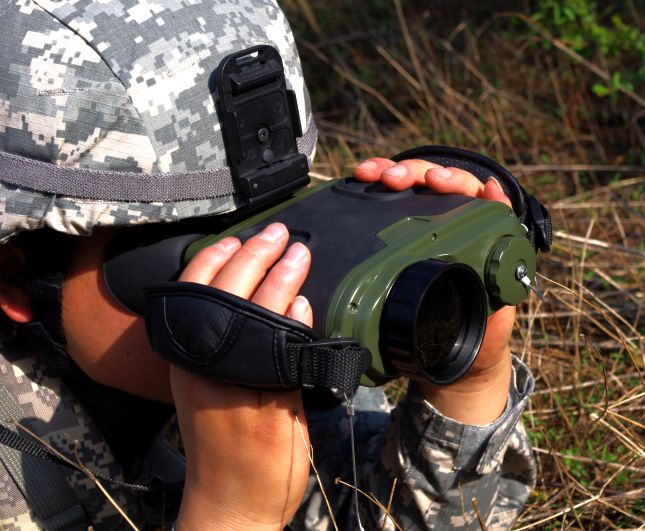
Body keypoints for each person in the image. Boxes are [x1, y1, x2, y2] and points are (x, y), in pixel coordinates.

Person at [0, 1, 536, 529]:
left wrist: (468, 379)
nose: (262, 275)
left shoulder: (290, 341)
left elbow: (383, 516)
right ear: (14, 277)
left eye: (290, 213)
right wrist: (233, 514)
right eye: (200, 249)